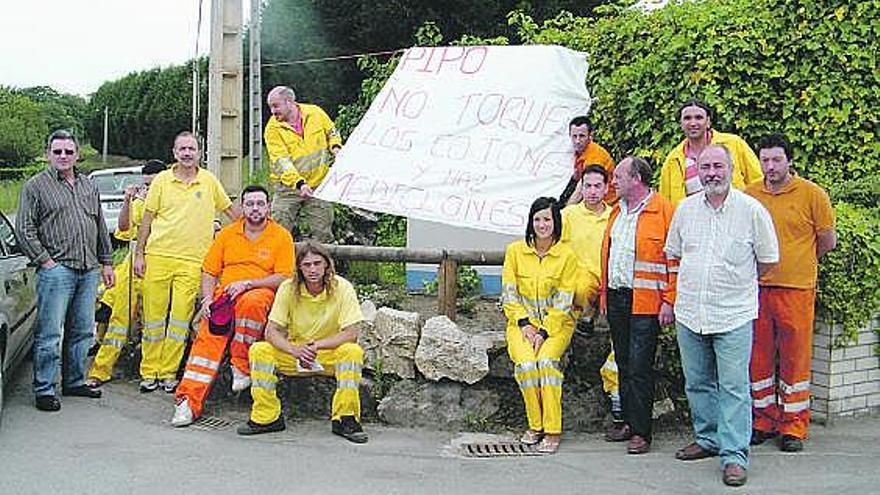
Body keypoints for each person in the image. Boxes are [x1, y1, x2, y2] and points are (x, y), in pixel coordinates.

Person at [665, 144, 779, 487]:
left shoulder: (751, 210)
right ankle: (708, 439)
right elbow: (674, 253)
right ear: (697, 171)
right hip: (690, 313)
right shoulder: (685, 210)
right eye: (706, 166)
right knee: (697, 383)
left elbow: (769, 260)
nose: (712, 172)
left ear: (731, 168)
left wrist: (738, 285)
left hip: (733, 314)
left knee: (733, 387)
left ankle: (734, 456)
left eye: (718, 165)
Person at [171, 185, 294, 426]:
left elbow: (284, 277)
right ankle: (187, 401)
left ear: (268, 207)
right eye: (250, 204)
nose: (255, 208)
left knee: (252, 302)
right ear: (242, 207)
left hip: (260, 293)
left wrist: (248, 284)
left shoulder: (281, 236)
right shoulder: (227, 234)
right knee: (207, 340)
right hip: (225, 298)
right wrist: (207, 299)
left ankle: (241, 366)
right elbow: (209, 271)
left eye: (260, 203)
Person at [745, 133, 837, 452]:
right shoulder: (750, 194)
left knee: (795, 360)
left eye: (776, 160)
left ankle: (794, 426)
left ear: (789, 160)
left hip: (797, 289)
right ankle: (763, 421)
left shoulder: (813, 194)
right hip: (756, 289)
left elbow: (827, 241)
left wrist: (798, 263)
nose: (770, 166)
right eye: (765, 160)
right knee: (758, 358)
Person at [15, 129, 115, 411]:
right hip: (57, 271)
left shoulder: (87, 185)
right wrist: (46, 261)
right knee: (50, 333)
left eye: (68, 151)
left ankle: (74, 381)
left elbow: (99, 228)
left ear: (77, 154)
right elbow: (24, 229)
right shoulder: (35, 186)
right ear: (48, 153)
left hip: (88, 269)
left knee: (83, 330)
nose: (63, 156)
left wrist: (107, 262)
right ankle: (44, 389)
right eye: (57, 151)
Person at [133, 131, 239, 394]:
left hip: (193, 262)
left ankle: (169, 373)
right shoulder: (161, 181)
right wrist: (139, 254)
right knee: (154, 319)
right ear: (174, 153)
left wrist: (259, 229)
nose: (187, 153)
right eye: (182, 149)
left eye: (191, 148)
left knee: (180, 320)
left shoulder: (209, 181)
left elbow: (232, 213)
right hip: (158, 257)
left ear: (199, 152)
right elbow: (146, 220)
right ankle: (149, 372)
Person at [237, 241, 368, 443]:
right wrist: (293, 349)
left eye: (317, 263)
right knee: (259, 350)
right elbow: (271, 331)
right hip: (295, 353)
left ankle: (345, 418)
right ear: (299, 267)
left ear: (327, 265)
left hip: (327, 353)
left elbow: (352, 332)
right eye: (307, 265)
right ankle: (267, 416)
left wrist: (317, 346)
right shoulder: (288, 288)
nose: (313, 269)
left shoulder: (342, 287)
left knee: (352, 352)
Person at [598, 157, 677, 455]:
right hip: (618, 298)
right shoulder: (617, 212)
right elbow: (609, 255)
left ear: (637, 179)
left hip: (646, 301)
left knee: (640, 367)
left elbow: (675, 259)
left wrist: (670, 300)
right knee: (623, 363)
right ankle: (630, 422)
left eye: (618, 176)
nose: (613, 181)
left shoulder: (664, 211)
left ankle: (642, 432)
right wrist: (605, 295)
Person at [501, 197, 580, 454]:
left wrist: (544, 331)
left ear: (556, 222)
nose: (542, 224)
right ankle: (535, 426)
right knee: (526, 366)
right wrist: (525, 324)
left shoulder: (567, 255)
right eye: (537, 219)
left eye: (547, 219)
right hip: (521, 324)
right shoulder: (515, 251)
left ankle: (553, 430)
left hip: (556, 326)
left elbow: (564, 300)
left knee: (546, 363)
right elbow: (509, 294)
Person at [87, 159, 166, 388]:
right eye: (147, 185)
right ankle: (100, 371)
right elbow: (123, 229)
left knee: (154, 323)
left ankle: (152, 374)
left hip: (160, 265)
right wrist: (128, 200)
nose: (149, 190)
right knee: (119, 321)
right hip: (134, 267)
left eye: (154, 186)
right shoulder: (141, 203)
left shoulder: (173, 205)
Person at [559, 165, 620, 425]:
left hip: (608, 280)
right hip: (577, 279)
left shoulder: (614, 216)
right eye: (588, 186)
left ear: (607, 188)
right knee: (581, 287)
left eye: (598, 186)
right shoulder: (569, 214)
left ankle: (617, 394)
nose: (593, 191)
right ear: (580, 188)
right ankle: (585, 315)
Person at [264, 85, 342, 242]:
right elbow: (282, 162)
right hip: (288, 188)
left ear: (289, 102)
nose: (272, 111)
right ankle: (283, 265)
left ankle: (322, 265)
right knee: (279, 231)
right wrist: (300, 184)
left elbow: (332, 131)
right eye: (270, 107)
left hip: (318, 185)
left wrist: (335, 147)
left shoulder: (315, 113)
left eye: (275, 106)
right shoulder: (272, 129)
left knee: (323, 234)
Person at [659, 99, 763, 206]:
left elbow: (758, 182)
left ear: (708, 121)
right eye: (687, 118)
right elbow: (665, 204)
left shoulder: (734, 144)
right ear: (681, 123)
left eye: (699, 118)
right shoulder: (672, 160)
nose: (693, 123)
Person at [558, 116, 617, 206]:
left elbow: (579, 194)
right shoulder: (576, 152)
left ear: (590, 136)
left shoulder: (595, 156)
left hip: (607, 204)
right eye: (574, 136)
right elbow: (575, 178)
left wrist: (563, 215)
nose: (577, 141)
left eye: (582, 136)